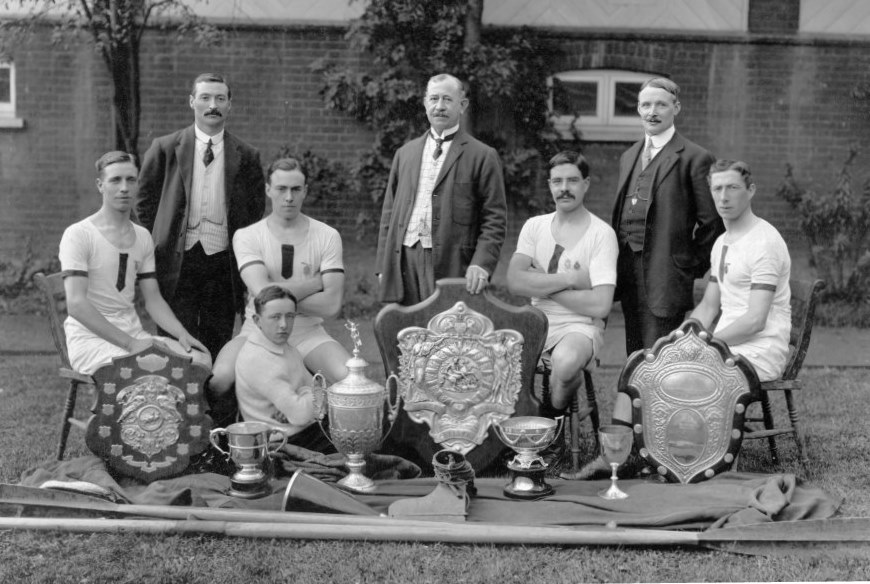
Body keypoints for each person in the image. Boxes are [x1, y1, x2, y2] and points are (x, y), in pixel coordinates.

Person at [580, 159, 791, 479]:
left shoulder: (765, 242)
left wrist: (705, 345)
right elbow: (708, 306)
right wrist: (673, 343)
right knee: (643, 362)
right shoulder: (723, 243)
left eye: (733, 187)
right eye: (717, 188)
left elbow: (755, 320)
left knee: (681, 375)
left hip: (760, 349)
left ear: (751, 191)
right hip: (728, 345)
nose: (724, 196)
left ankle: (678, 458)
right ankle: (619, 457)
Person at [135, 72, 265, 360]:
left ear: (230, 104)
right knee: (172, 342)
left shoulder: (247, 155)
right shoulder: (165, 148)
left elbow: (256, 210)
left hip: (223, 263)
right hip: (176, 263)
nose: (212, 105)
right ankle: (177, 403)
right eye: (205, 98)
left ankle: (213, 404)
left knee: (217, 340)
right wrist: (162, 238)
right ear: (192, 102)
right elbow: (144, 201)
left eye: (220, 98)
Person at [208, 157, 350, 400]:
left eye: (296, 189)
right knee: (220, 378)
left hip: (308, 333)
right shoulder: (247, 236)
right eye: (281, 189)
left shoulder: (327, 235)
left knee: (351, 380)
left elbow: (331, 306)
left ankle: (331, 436)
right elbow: (262, 291)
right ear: (268, 190)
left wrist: (274, 302)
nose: (288, 197)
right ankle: (233, 432)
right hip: (257, 332)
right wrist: (315, 284)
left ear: (305, 191)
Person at [59, 151, 210, 375]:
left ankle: (167, 410)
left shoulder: (142, 236)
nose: (124, 187)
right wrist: (130, 345)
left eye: (130, 180)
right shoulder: (79, 234)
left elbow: (153, 299)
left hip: (135, 336)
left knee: (200, 360)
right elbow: (76, 304)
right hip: (91, 340)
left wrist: (181, 334)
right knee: (153, 368)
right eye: (115, 180)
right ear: (100, 185)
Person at [612, 77, 723, 356]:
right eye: (646, 104)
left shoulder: (694, 157)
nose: (652, 111)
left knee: (659, 357)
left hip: (666, 275)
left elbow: (712, 223)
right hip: (628, 271)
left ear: (676, 108)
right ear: (638, 109)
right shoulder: (629, 156)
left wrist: (687, 265)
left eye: (661, 104)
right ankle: (635, 401)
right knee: (634, 354)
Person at [376, 73, 507, 305]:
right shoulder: (405, 153)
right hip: (405, 258)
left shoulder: (483, 156)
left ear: (462, 105)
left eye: (447, 99)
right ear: (425, 102)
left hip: (452, 261)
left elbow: (494, 219)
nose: (439, 106)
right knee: (406, 333)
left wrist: (481, 263)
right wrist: (383, 266)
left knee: (448, 333)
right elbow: (388, 214)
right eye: (434, 99)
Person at [507, 151, 618, 415]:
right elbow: (514, 281)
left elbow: (601, 305)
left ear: (586, 184)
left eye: (572, 181)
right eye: (557, 182)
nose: (564, 189)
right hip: (535, 320)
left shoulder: (602, 234)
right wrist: (569, 280)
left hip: (580, 325)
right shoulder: (534, 226)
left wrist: (540, 283)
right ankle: (504, 433)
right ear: (549, 185)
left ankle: (549, 419)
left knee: (566, 364)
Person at [235, 285, 334, 453]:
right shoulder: (257, 359)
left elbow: (315, 397)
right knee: (358, 435)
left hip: (305, 429)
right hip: (284, 442)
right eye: (275, 317)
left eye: (290, 316)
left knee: (362, 420)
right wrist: (308, 394)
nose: (284, 325)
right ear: (257, 320)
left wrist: (303, 396)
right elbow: (301, 414)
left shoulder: (284, 346)